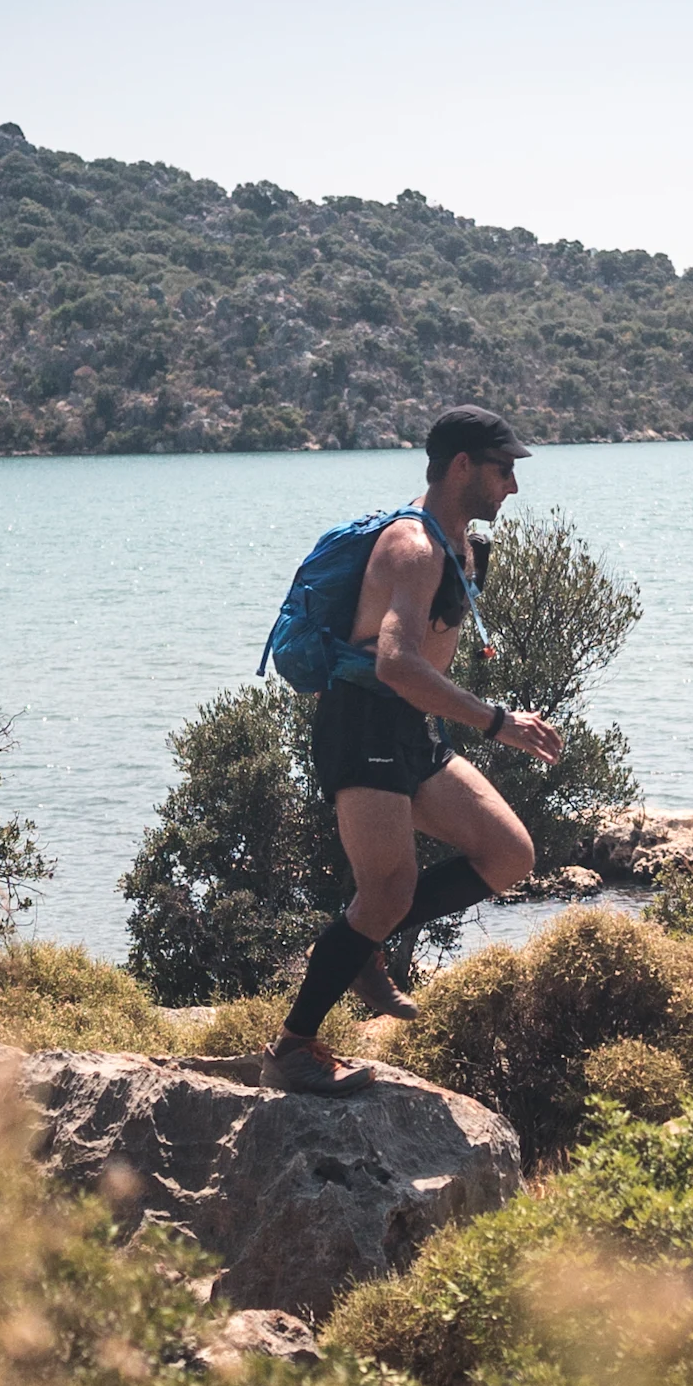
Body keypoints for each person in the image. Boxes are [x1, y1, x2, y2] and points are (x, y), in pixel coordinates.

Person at [264, 405, 566, 1093]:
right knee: (390, 888)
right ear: (463, 465)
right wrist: (498, 722)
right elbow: (396, 663)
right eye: (503, 468)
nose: (512, 486)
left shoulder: (461, 546)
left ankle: (362, 940)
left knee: (509, 853)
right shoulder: (413, 547)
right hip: (364, 725)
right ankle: (292, 1045)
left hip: (412, 733)